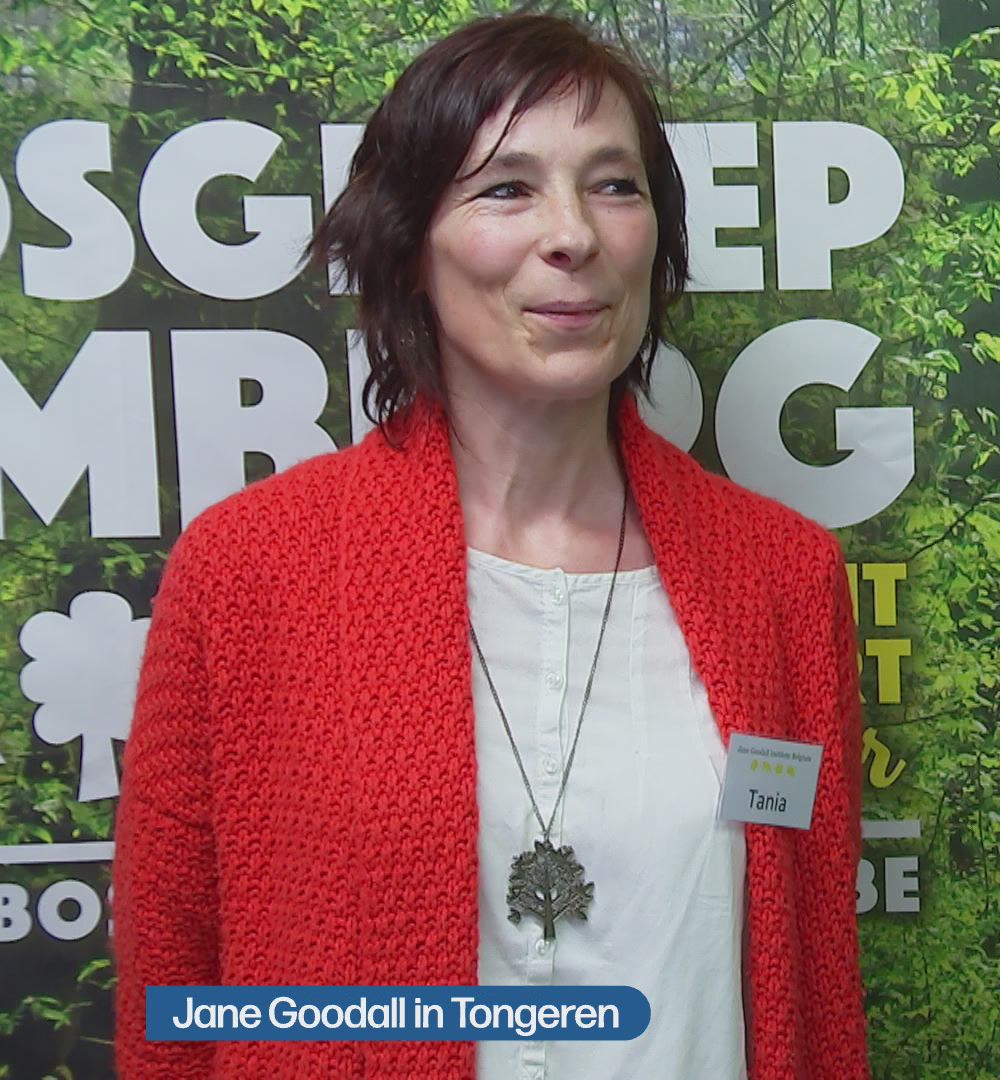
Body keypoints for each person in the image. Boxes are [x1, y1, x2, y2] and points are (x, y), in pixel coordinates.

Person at [113, 14, 868, 1079]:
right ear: (409, 243)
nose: (573, 235)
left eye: (615, 185)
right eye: (506, 188)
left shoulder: (780, 577)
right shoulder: (253, 570)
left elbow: (817, 984)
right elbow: (173, 993)